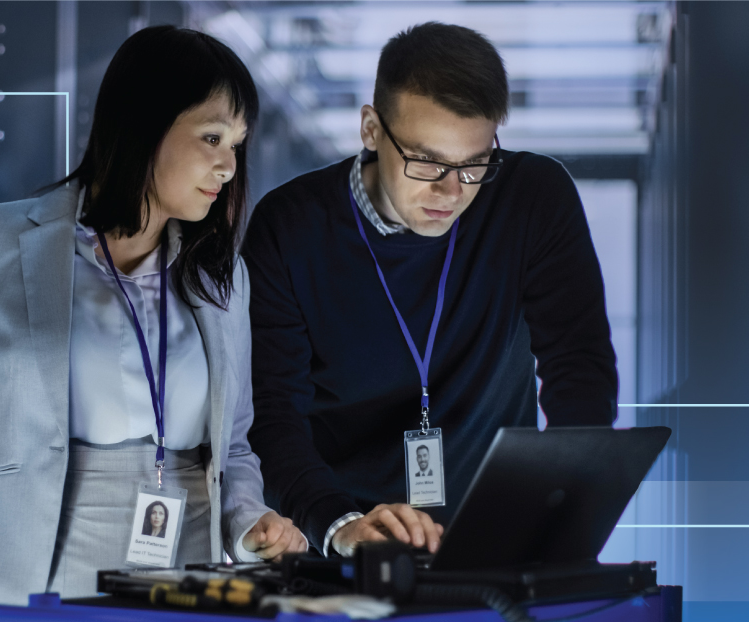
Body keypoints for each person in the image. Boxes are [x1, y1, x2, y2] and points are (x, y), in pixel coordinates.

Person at [0, 25, 306, 622]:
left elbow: (233, 447)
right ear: (145, 125)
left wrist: (250, 524)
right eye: (212, 137)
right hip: (34, 588)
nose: (228, 166)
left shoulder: (222, 279)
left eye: (237, 145)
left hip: (190, 593)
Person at [242, 22, 617, 559]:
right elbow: (273, 415)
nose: (450, 191)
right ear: (371, 130)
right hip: (348, 538)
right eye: (426, 161)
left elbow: (578, 367)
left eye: (474, 164)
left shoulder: (531, 198)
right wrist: (340, 525)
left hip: (496, 536)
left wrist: (567, 510)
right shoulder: (291, 226)